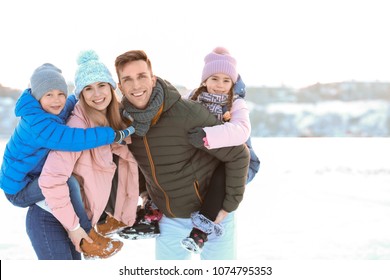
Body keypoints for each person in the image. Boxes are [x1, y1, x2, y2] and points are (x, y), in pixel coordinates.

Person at [114, 49, 250, 260]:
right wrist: (145, 193)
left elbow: (239, 155)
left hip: (212, 217)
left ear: (152, 79)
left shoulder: (187, 113)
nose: (136, 85)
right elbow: (135, 161)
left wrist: (227, 207)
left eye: (141, 76)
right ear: (120, 86)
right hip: (169, 220)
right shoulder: (125, 123)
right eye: (128, 79)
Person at [26, 50, 139, 260]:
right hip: (51, 218)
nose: (97, 94)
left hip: (73, 219)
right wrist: (76, 227)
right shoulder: (77, 128)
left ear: (111, 87)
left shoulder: (107, 122)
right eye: (88, 88)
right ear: (81, 94)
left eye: (101, 85)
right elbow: (51, 180)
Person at [181, 47, 261, 253]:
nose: (220, 85)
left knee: (220, 178)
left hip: (232, 162)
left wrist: (207, 136)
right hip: (199, 161)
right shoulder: (191, 99)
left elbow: (241, 131)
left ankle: (201, 231)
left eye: (226, 81)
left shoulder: (236, 103)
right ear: (204, 80)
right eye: (214, 78)